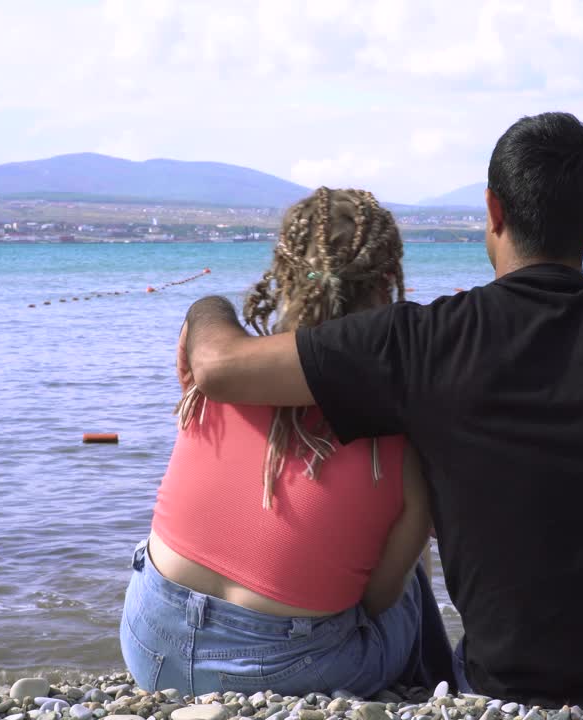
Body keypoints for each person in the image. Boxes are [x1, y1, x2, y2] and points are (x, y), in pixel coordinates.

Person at [176, 112, 583, 710]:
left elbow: (219, 368)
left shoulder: (423, 342)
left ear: (494, 211)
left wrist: (208, 305)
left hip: (512, 686)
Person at [121, 188, 447, 697]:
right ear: (387, 285)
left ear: (284, 272)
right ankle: (429, 686)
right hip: (291, 669)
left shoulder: (220, 371)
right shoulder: (395, 431)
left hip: (149, 641)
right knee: (411, 583)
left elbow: (203, 335)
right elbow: (378, 600)